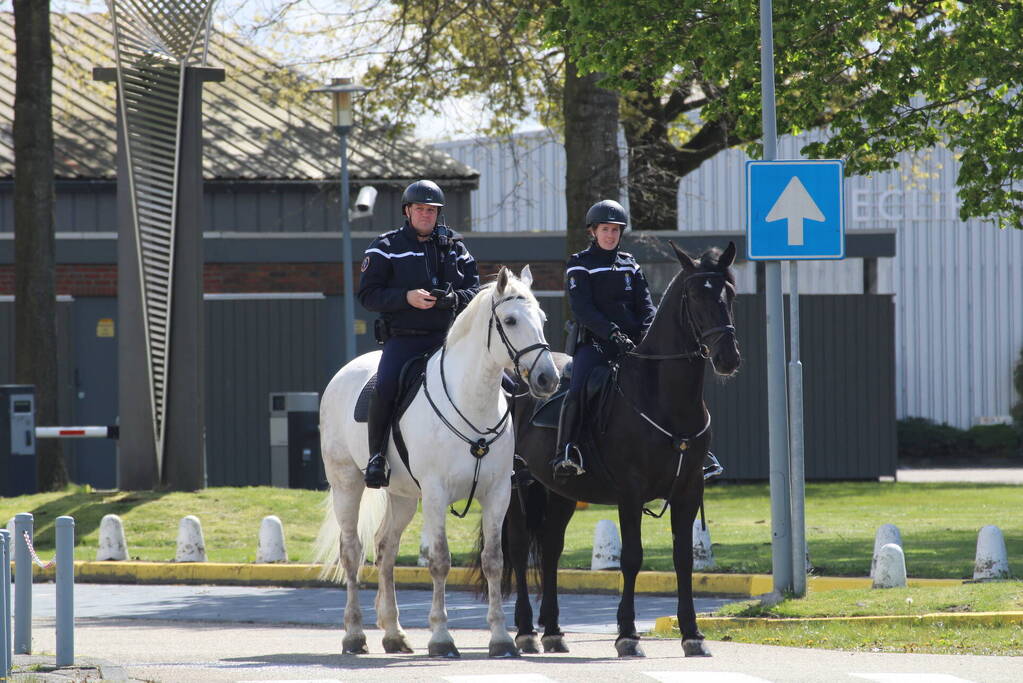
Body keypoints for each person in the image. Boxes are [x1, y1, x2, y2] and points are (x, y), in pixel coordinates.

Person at [358, 179, 480, 488]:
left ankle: (513, 456)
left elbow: (475, 291)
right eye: (421, 209)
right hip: (406, 338)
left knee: (504, 383)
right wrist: (406, 297)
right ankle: (376, 458)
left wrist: (455, 299)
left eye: (432, 210)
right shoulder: (385, 247)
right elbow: (368, 295)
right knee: (385, 385)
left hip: (450, 340)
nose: (427, 215)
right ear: (407, 211)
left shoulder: (455, 246)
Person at [551, 199, 656, 478]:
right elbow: (583, 310)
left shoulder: (630, 265)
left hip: (634, 346)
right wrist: (612, 333)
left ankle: (690, 448)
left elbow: (646, 305)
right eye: (605, 229)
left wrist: (647, 330)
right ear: (593, 232)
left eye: (615, 230)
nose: (610, 235)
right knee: (577, 388)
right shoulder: (579, 264)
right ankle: (566, 450)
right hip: (596, 345)